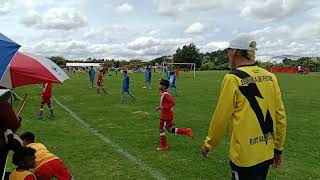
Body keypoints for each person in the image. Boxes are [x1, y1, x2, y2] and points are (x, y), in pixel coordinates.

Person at [201, 35, 287, 180]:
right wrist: (278, 147)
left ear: (234, 51)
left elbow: (221, 118)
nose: (227, 54)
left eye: (228, 51)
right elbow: (280, 115)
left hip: (245, 156)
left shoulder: (232, 78)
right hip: (267, 152)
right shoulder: (271, 77)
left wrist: (209, 144)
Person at [155, 79, 193, 151]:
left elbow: (173, 103)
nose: (159, 86)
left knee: (161, 129)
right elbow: (165, 104)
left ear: (164, 86)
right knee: (169, 129)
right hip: (168, 114)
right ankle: (186, 131)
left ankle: (164, 146)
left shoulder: (165, 94)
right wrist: (160, 108)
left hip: (166, 115)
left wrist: (164, 108)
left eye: (160, 84)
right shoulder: (164, 94)